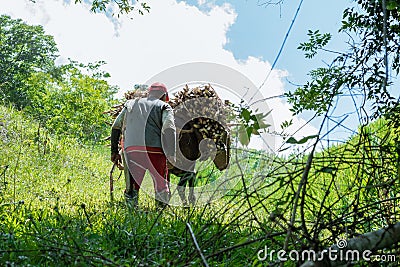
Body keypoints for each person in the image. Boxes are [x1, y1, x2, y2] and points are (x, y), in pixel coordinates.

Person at [110, 82, 176, 209]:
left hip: (131, 151)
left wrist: (114, 152)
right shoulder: (164, 107)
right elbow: (169, 128)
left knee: (132, 187)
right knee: (161, 185)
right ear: (164, 96)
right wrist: (171, 155)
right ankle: (161, 214)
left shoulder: (131, 104)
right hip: (155, 152)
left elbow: (116, 126)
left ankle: (131, 212)